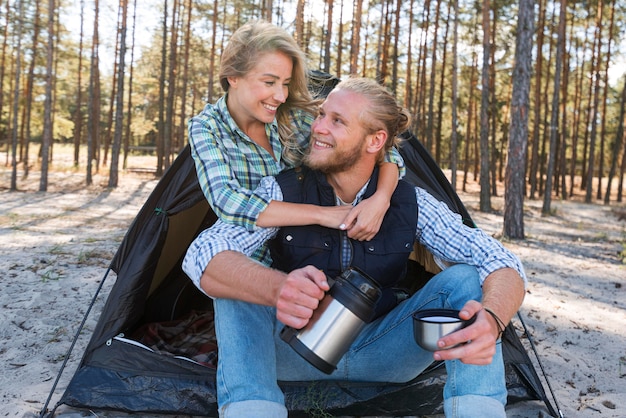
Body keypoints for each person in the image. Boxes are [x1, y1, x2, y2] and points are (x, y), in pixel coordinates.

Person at [183, 77, 527, 418]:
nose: (318, 128)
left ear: (375, 140)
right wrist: (279, 288)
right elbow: (202, 253)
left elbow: (500, 259)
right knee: (236, 278)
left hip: (384, 350)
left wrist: (493, 320)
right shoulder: (282, 191)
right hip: (293, 350)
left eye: (337, 121)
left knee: (468, 279)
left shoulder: (408, 202)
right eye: (321, 115)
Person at [187, 20, 404, 264]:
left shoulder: (296, 116)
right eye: (269, 82)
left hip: (312, 257)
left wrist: (381, 199)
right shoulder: (207, 128)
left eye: (286, 84)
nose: (280, 96)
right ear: (233, 77)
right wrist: (323, 215)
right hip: (255, 265)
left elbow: (383, 152)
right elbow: (228, 201)